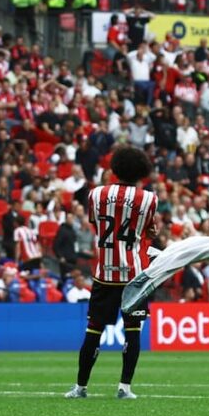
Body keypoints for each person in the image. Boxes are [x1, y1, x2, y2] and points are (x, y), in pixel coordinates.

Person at [64, 146, 157, 400]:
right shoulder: (149, 199)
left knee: (93, 331)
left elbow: (98, 224)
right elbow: (149, 231)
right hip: (135, 275)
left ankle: (81, 387)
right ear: (141, 172)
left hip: (104, 272)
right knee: (133, 330)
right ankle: (124, 387)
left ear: (114, 168)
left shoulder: (95, 194)